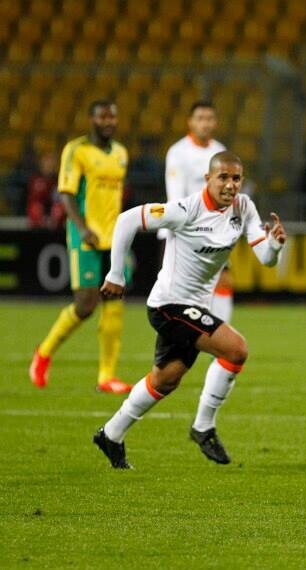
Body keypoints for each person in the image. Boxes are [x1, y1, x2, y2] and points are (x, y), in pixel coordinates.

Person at [93, 151, 286, 469]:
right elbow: (127, 220)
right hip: (168, 305)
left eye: (235, 178)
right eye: (222, 177)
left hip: (194, 307)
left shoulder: (244, 208)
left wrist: (276, 246)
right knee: (236, 350)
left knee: (166, 379)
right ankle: (203, 427)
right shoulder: (185, 210)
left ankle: (111, 434)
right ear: (208, 179)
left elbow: (265, 259)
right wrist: (115, 274)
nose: (229, 184)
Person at [29, 100, 132, 394]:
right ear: (92, 119)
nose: (109, 121)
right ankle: (44, 352)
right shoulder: (77, 150)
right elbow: (67, 194)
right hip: (85, 236)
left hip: (114, 238)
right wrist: (83, 228)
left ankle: (106, 376)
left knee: (114, 302)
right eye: (103, 116)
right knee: (86, 305)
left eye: (113, 116)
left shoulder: (121, 153)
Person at [164, 101, 233, 322]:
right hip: (185, 229)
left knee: (222, 281)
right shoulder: (178, 152)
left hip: (215, 229)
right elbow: (175, 197)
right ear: (191, 122)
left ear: (216, 122)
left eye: (209, 118)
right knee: (181, 295)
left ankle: (220, 348)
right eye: (200, 118)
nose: (205, 123)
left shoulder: (220, 151)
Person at [25, 152, 65, 229]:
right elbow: (34, 199)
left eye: (52, 164)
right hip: (41, 208)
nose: (50, 166)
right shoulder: (36, 179)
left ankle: (56, 232)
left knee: (58, 209)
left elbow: (60, 199)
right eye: (47, 164)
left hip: (54, 207)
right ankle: (36, 231)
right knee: (36, 208)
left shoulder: (60, 180)